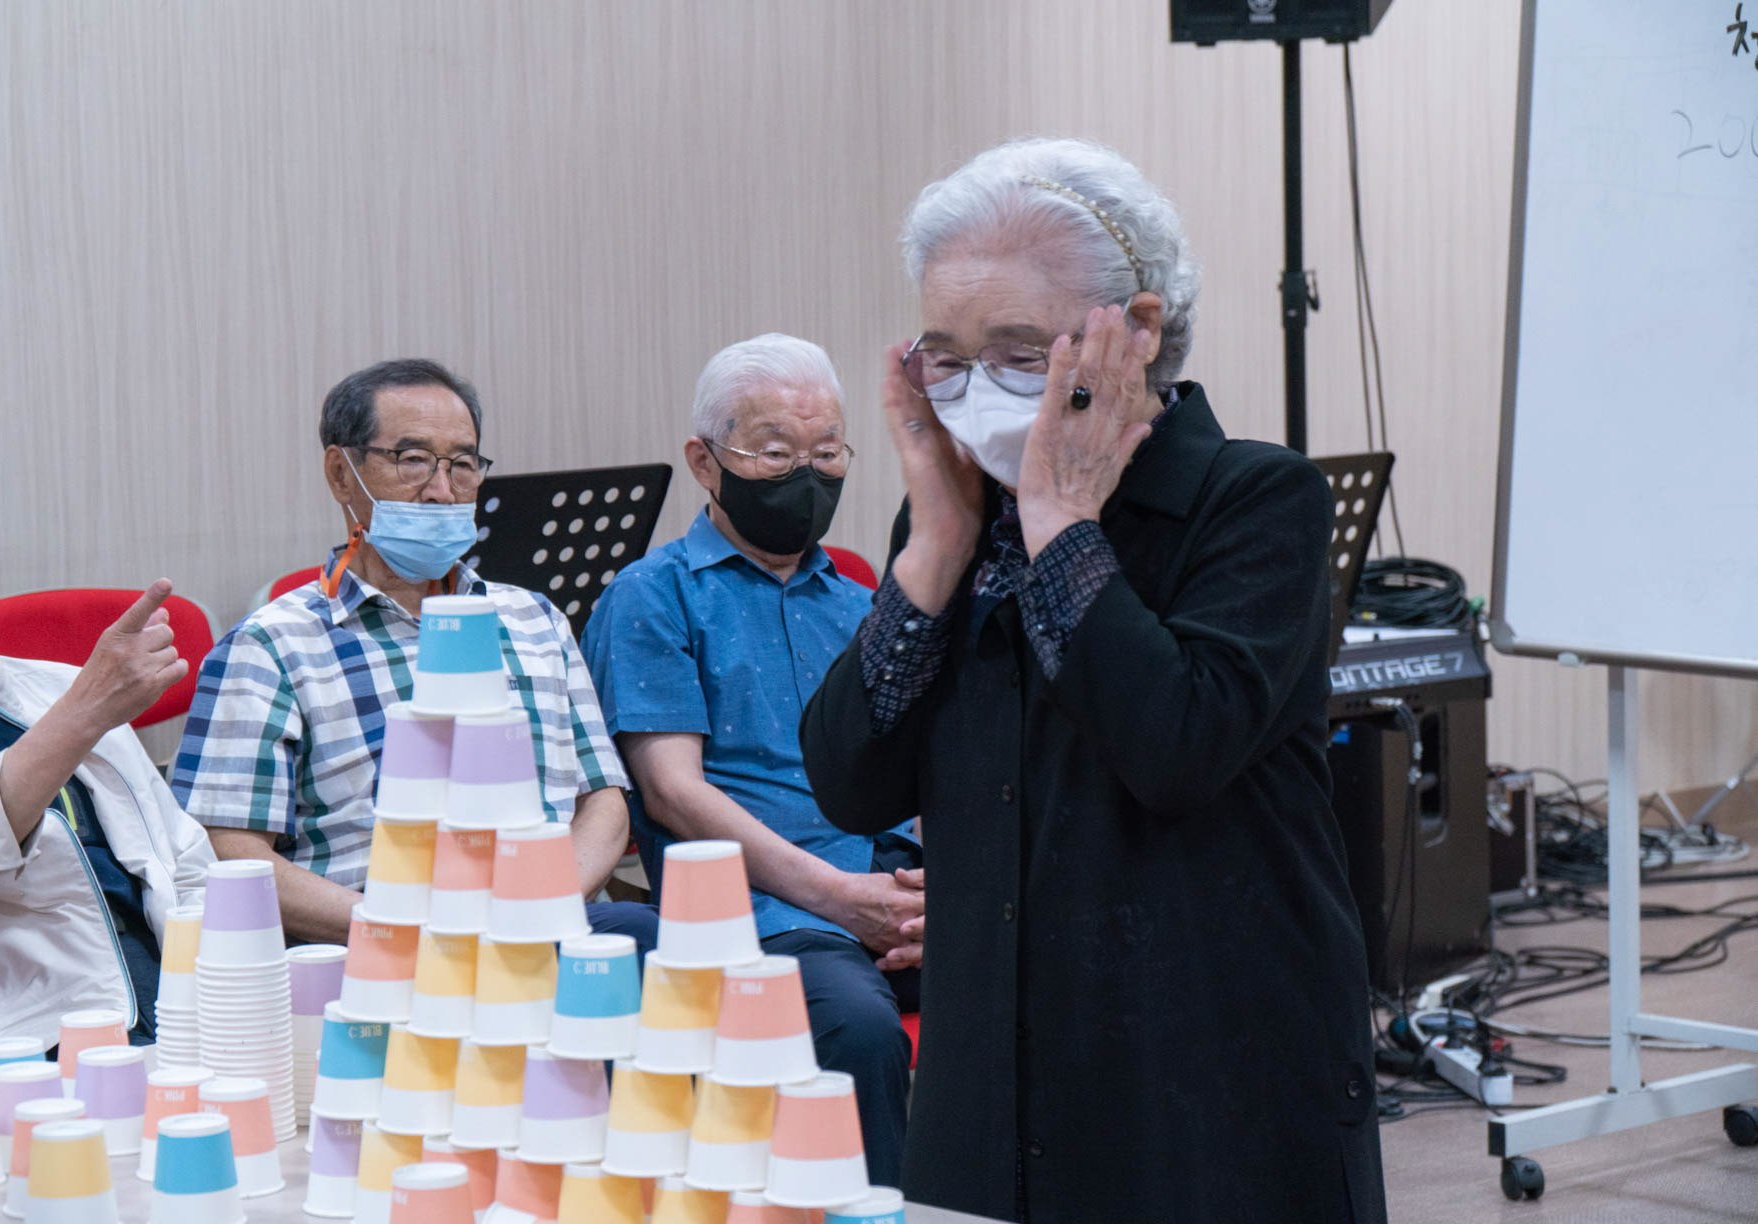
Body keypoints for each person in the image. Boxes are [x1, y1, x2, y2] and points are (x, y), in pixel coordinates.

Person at [799, 139, 1386, 1222]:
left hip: (1210, 1069)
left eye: (1020, 353)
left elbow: (1176, 747)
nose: (977, 392)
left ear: (1139, 331)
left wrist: (1061, 520)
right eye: (945, 358)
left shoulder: (1256, 500)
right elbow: (849, 781)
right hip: (995, 1071)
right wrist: (933, 548)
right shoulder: (955, 519)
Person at [581, 334, 922, 1187]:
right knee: (857, 1032)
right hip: (766, 912)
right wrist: (844, 897)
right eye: (775, 453)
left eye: (827, 453)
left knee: (1080, 986)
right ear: (705, 462)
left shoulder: (864, 603)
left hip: (893, 890)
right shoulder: (651, 597)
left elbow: (927, 771)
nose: (806, 475)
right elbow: (673, 793)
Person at [171, 359, 654, 952]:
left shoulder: (536, 620)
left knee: (653, 940)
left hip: (547, 923)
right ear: (341, 474)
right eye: (413, 459)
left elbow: (602, 801)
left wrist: (542, 908)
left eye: (463, 464)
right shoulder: (270, 646)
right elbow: (231, 852)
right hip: (381, 945)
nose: (442, 491)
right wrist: (414, 928)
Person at [0, 453, 212, 1069]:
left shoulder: (59, 688)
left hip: (182, 1013)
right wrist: (82, 714)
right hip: (19, 1055)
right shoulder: (83, 701)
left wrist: (228, 992)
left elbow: (184, 858)